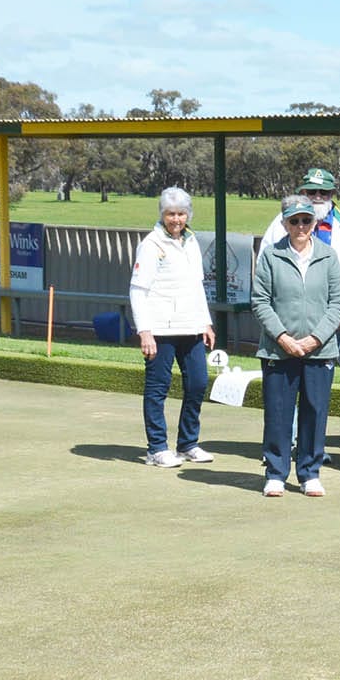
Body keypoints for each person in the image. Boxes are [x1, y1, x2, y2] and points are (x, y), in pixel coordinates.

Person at [252, 195, 340, 498]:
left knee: (315, 411)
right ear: (285, 224)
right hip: (279, 349)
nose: (301, 226)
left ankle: (309, 472)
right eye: (295, 221)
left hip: (320, 350)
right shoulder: (270, 255)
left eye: (306, 220)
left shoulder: (329, 256)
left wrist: (314, 339)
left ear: (314, 223)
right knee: (278, 412)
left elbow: (337, 304)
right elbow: (260, 301)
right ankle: (276, 473)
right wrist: (283, 338)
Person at [129, 186, 216, 468]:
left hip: (191, 327)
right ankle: (156, 448)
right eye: (170, 214)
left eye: (180, 214)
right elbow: (137, 290)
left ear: (188, 215)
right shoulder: (151, 244)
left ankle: (188, 443)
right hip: (160, 330)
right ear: (162, 215)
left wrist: (206, 322)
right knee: (158, 388)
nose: (176, 219)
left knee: (198, 383)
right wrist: (145, 331)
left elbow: (197, 286)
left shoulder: (191, 241)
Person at [259, 167, 340, 265]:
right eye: (312, 191)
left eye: (323, 192)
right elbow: (263, 258)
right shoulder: (283, 219)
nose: (318, 197)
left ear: (331, 194)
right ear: (304, 193)